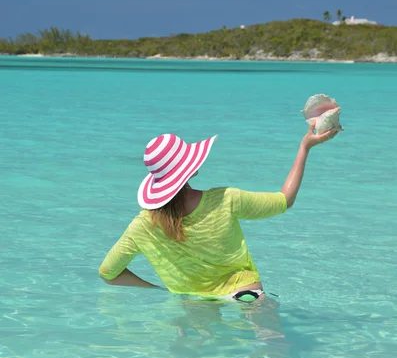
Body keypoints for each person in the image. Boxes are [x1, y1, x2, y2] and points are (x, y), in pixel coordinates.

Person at [99, 123, 340, 302]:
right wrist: (304, 147)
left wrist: (159, 290)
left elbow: (108, 273)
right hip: (245, 295)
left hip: (193, 303)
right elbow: (285, 200)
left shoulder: (142, 225)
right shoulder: (225, 200)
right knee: (276, 352)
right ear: (189, 170)